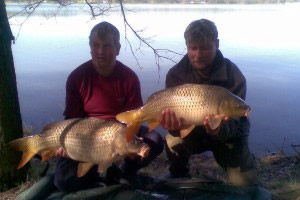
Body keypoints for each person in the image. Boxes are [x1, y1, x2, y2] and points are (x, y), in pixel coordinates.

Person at [54, 21, 164, 192]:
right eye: (95, 45)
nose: (100, 52)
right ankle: (100, 173)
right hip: (87, 137)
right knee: (64, 182)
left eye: (106, 46)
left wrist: (127, 143)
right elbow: (72, 121)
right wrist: (65, 144)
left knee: (155, 140)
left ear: (117, 48)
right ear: (90, 47)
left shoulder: (129, 78)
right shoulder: (77, 78)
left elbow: (134, 120)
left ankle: (125, 170)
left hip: (119, 134)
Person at [160, 19, 257, 186]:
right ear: (187, 46)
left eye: (205, 48)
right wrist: (173, 126)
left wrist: (219, 129)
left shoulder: (234, 76)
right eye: (193, 48)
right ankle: (178, 171)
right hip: (192, 133)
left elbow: (237, 122)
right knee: (173, 140)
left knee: (244, 184)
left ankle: (243, 168)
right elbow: (175, 128)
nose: (198, 55)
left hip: (228, 136)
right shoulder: (176, 74)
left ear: (217, 44)